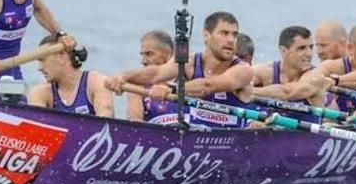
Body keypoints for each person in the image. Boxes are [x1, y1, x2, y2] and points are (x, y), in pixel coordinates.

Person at [106, 11, 254, 129]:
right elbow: (155, 74)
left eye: (234, 34)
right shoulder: (189, 62)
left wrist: (171, 90)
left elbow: (208, 86)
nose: (230, 40)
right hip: (195, 137)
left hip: (227, 144)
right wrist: (123, 76)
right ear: (206, 35)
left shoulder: (243, 70)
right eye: (224, 33)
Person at [252, 26, 326, 123]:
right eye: (302, 48)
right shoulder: (265, 72)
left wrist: (248, 92)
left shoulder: (315, 76)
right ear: (283, 51)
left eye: (311, 47)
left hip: (305, 136)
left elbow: (286, 93)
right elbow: (237, 80)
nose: (309, 53)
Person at [27, 35, 113, 117]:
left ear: (61, 56)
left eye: (42, 60)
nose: (39, 68)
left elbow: (105, 120)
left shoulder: (96, 82)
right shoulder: (40, 93)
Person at [126, 30, 177, 123]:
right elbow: (135, 122)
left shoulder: (188, 78)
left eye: (149, 54)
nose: (143, 61)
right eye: (142, 55)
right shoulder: (137, 87)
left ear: (168, 54)